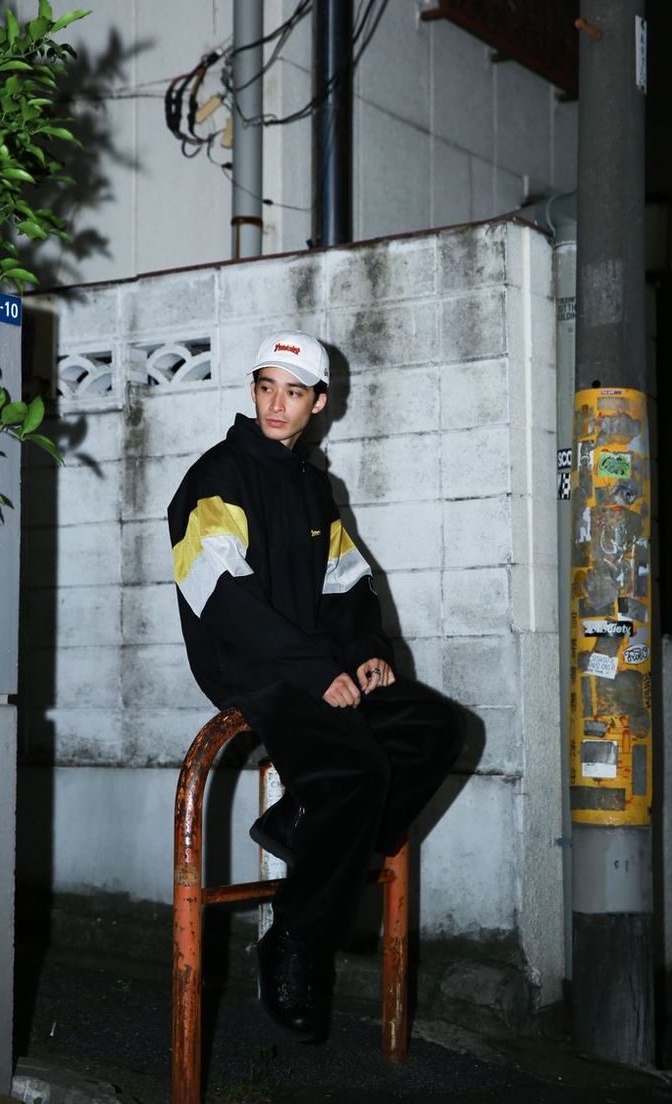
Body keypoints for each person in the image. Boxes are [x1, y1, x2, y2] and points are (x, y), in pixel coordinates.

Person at [168, 330, 465, 1039]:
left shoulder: (314, 488)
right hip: (256, 672)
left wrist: (366, 650)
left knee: (437, 729)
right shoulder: (217, 476)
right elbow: (223, 596)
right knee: (358, 769)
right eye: (266, 386)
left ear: (318, 403)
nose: (276, 403)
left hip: (321, 667)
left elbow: (350, 582)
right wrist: (314, 670)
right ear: (253, 391)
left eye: (293, 392)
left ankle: (306, 822)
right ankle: (294, 941)